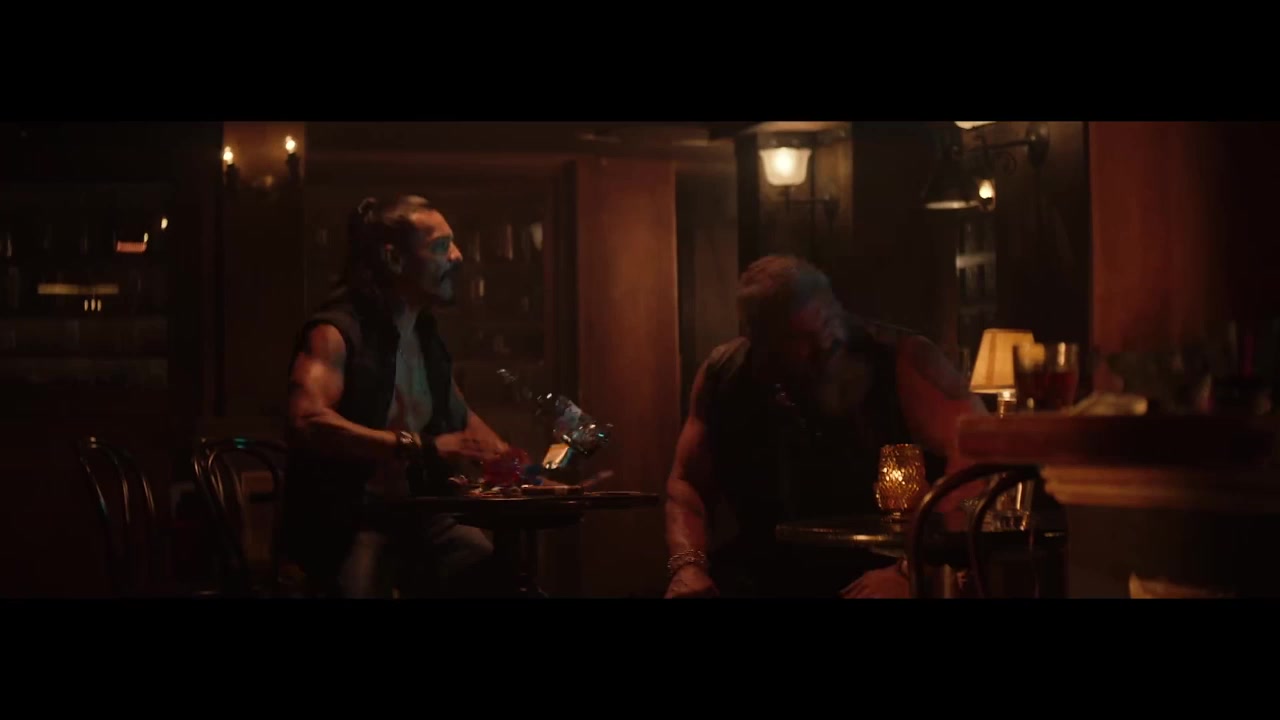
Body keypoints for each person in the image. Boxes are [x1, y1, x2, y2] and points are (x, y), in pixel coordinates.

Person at [663, 254, 986, 599]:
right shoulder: (725, 375)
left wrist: (911, 568)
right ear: (760, 340)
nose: (826, 343)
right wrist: (688, 566)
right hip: (764, 577)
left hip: (880, 574)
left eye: (829, 322)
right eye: (800, 337)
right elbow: (687, 483)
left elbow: (978, 458)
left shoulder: (902, 362)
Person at [282, 195, 509, 598]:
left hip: (420, 513)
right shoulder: (336, 332)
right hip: (350, 519)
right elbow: (306, 420)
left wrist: (521, 468)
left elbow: (462, 417)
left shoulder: (425, 336)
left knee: (488, 569)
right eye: (441, 246)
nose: (457, 256)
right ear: (394, 259)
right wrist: (415, 446)